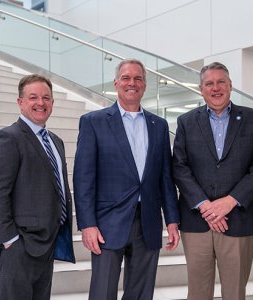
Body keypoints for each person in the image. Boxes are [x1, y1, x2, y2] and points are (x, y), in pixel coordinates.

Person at [73, 58, 180, 300]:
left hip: (149, 222)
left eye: (138, 78)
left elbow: (165, 177)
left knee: (141, 294)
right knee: (103, 293)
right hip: (107, 223)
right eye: (126, 78)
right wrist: (87, 224)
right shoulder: (94, 122)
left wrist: (172, 219)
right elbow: (83, 178)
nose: (132, 83)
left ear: (144, 84)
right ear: (116, 83)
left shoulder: (159, 125)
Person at [172, 62, 253, 300]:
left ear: (230, 86)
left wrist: (230, 201)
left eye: (221, 82)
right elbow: (179, 167)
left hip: (238, 219)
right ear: (201, 89)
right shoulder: (186, 122)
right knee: (197, 292)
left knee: (235, 292)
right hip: (197, 219)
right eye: (209, 83)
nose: (215, 88)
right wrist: (205, 205)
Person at [0, 74, 75, 299]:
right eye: (33, 97)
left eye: (46, 98)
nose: (40, 103)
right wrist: (10, 240)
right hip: (19, 246)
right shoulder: (7, 138)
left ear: (53, 103)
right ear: (20, 102)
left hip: (47, 242)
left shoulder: (55, 141)